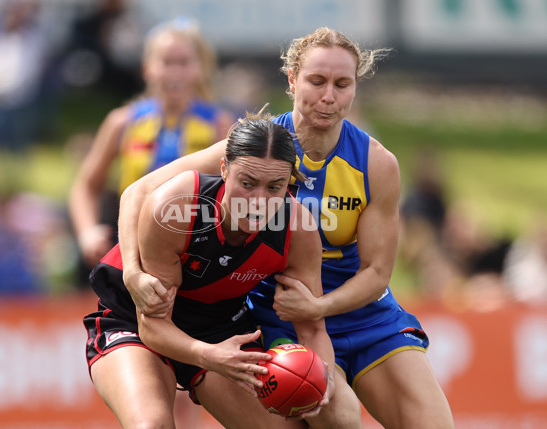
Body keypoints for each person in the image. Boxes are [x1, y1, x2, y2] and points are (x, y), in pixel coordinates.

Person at [117, 27, 455, 428]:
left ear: (354, 88)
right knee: (336, 415)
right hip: (280, 315)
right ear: (292, 79)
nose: (328, 96)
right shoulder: (257, 149)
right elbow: (138, 192)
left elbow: (378, 272)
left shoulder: (376, 163)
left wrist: (320, 306)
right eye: (316, 81)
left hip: (363, 315)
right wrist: (133, 272)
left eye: (342, 84)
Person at [83, 115, 362, 429]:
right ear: (224, 169)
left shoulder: (298, 229)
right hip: (134, 321)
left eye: (275, 187)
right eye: (247, 183)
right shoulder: (176, 206)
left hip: (220, 328)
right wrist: (207, 356)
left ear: (289, 184)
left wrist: (320, 377)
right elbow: (153, 328)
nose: (258, 201)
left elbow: (311, 330)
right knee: (152, 425)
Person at [69, 17, 233, 269]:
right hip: (132, 251)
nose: (175, 72)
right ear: (147, 68)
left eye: (184, 62)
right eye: (166, 62)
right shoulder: (122, 122)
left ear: (200, 68)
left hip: (196, 254)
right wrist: (87, 232)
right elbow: (86, 185)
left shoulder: (219, 124)